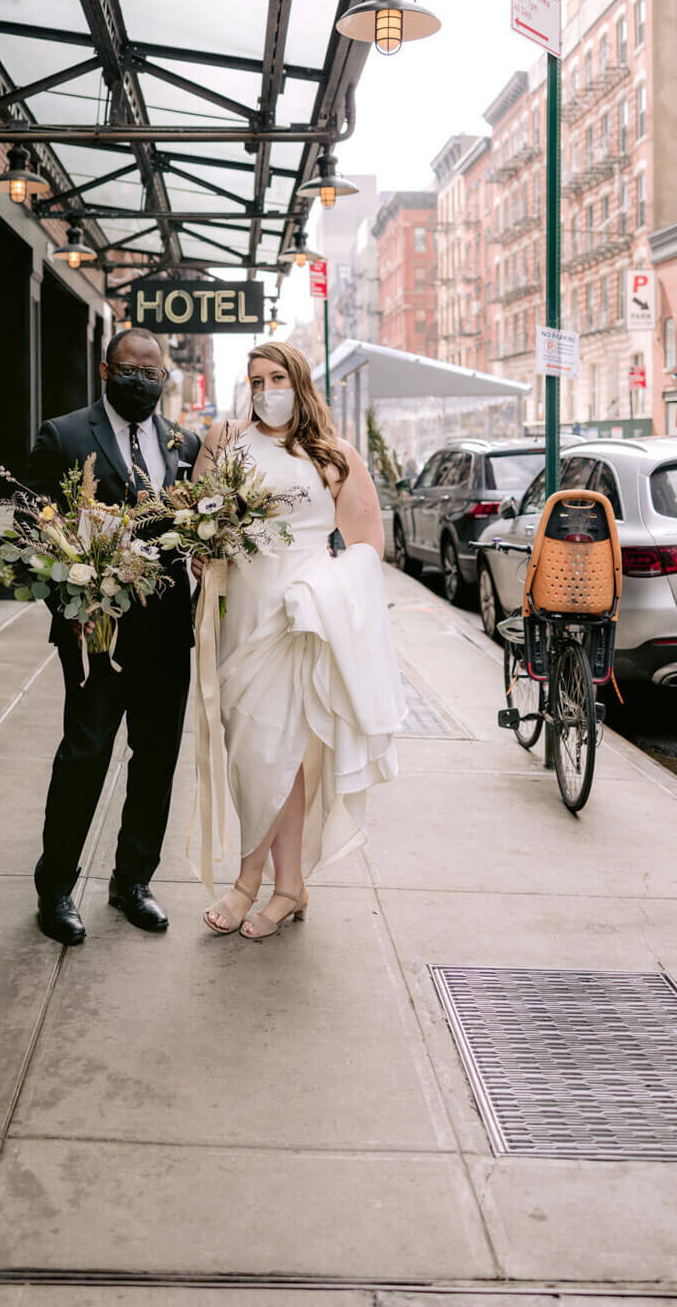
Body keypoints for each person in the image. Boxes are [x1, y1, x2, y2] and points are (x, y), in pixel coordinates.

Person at [195, 340, 406, 940]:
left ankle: (253, 885)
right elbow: (201, 524)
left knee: (280, 756)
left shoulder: (333, 455)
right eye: (255, 380)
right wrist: (203, 554)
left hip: (301, 622)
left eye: (276, 378)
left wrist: (319, 591)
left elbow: (367, 549)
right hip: (244, 617)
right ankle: (288, 885)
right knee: (250, 756)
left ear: (299, 382)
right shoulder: (226, 440)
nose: (265, 391)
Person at [25, 328, 201, 946]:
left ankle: (133, 883)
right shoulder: (64, 434)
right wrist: (68, 601)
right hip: (94, 632)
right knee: (84, 756)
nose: (143, 381)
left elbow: (192, 530)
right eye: (131, 370)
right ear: (106, 371)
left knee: (156, 761)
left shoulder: (186, 442)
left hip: (167, 632)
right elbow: (34, 535)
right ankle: (56, 889)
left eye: (153, 374)